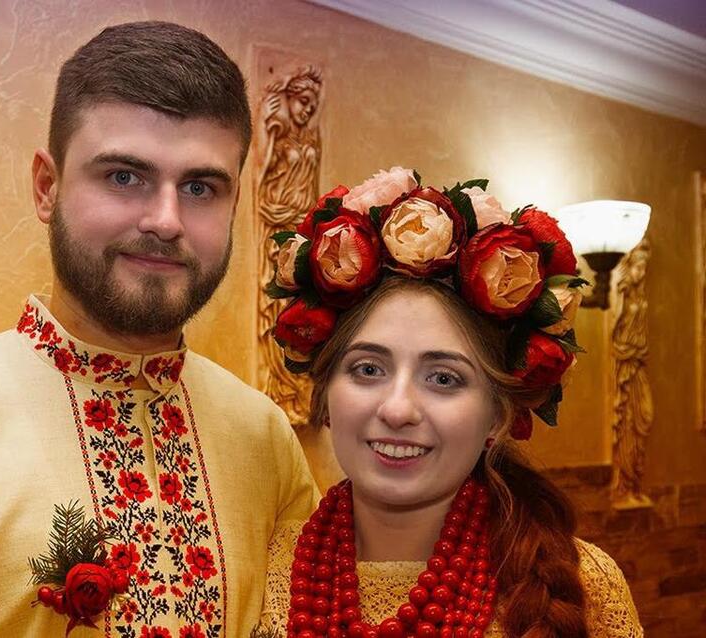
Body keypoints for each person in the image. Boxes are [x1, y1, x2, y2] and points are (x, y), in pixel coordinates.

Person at [0, 21, 317, 637]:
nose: (166, 220)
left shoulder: (265, 441)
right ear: (46, 187)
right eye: (124, 176)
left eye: (199, 187)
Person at [257, 168, 643, 637]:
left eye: (443, 378)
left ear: (497, 416)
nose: (397, 409)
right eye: (368, 370)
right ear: (324, 395)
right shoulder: (261, 571)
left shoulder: (584, 586)